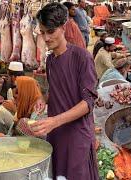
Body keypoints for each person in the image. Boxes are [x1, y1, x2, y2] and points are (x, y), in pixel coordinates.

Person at [31, 3, 99, 179]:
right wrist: (43, 98)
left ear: (63, 27)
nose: (46, 38)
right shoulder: (51, 60)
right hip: (56, 134)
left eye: (50, 31)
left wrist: (55, 121)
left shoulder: (82, 57)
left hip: (77, 135)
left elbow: (87, 103)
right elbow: (56, 90)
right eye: (43, 32)